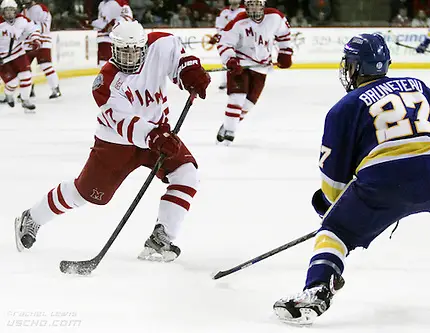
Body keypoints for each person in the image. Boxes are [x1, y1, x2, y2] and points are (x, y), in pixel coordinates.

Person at [273, 33, 430, 325]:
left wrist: (332, 209)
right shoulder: (419, 86)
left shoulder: (345, 106)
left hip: (384, 182)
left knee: (334, 232)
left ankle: (317, 289)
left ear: (354, 67)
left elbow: (334, 183)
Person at [14, 21, 211, 263]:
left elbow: (181, 60)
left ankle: (162, 239)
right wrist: (153, 136)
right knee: (85, 194)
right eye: (123, 52)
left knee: (186, 173)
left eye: (134, 51)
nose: (129, 58)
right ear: (113, 50)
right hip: (117, 144)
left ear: (144, 47)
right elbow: (123, 122)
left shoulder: (161, 43)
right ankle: (33, 217)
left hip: (157, 135)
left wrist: (189, 73)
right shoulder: (105, 82)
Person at [215, 0, 293, 145]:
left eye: (256, 3)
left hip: (261, 66)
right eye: (250, 4)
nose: (253, 7)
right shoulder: (238, 22)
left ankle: (227, 126)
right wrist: (231, 60)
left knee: (248, 104)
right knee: (237, 98)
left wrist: (285, 53)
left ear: (263, 4)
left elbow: (284, 35)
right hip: (241, 64)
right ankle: (230, 134)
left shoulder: (275, 17)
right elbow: (224, 43)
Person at [0, 0, 40, 113]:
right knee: (12, 83)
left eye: (11, 10)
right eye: (6, 10)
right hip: (3, 58)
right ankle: (8, 94)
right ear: (2, 12)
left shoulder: (22, 20)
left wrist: (35, 39)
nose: (9, 13)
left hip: (18, 53)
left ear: (15, 11)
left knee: (26, 75)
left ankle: (25, 100)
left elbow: (34, 29)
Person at [21, 0, 61, 99]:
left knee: (46, 65)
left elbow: (43, 26)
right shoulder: (24, 11)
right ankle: (29, 90)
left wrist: (28, 28)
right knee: (23, 68)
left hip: (42, 41)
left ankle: (55, 89)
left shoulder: (41, 8)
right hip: (27, 44)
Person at [208, 0, 245, 90]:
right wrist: (218, 35)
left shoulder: (244, 10)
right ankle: (225, 81)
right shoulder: (224, 12)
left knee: (242, 59)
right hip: (228, 39)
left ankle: (242, 81)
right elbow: (220, 26)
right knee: (227, 58)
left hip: (242, 40)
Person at [92, 0, 134, 68]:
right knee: (102, 67)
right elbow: (102, 22)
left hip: (112, 41)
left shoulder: (121, 2)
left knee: (109, 68)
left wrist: (113, 25)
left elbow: (127, 19)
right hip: (101, 40)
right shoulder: (102, 3)